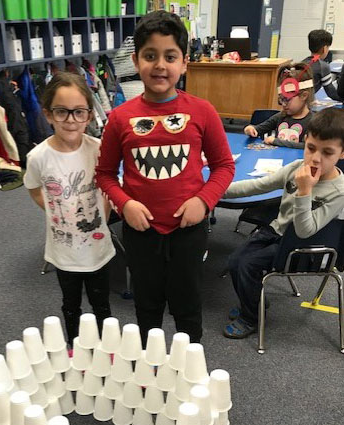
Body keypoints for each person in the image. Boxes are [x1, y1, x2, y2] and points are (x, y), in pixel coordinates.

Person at [96, 10, 235, 345]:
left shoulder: (202, 111)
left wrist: (203, 201)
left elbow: (223, 166)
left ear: (184, 63)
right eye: (150, 56)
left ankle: (191, 373)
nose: (160, 65)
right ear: (135, 60)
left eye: (170, 56)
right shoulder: (119, 118)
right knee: (147, 308)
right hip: (141, 233)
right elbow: (104, 174)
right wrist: (124, 203)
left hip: (188, 231)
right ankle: (150, 376)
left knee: (188, 307)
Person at [223, 107, 344, 339]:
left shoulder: (338, 190)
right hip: (277, 232)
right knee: (235, 261)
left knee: (247, 264)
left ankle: (251, 317)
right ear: (305, 141)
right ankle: (255, 300)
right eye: (310, 148)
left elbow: (304, 230)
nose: (315, 158)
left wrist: (305, 191)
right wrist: (215, 191)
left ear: (342, 153)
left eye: (327, 152)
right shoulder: (296, 169)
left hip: (304, 247)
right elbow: (257, 185)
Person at [24, 72, 115, 347]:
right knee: (71, 304)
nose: (71, 120)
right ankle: (75, 348)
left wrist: (103, 217)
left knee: (102, 305)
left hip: (98, 248)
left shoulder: (99, 149)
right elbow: (33, 189)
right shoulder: (38, 157)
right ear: (49, 114)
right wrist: (55, 213)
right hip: (64, 252)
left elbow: (109, 188)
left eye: (78, 112)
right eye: (62, 112)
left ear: (89, 115)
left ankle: (108, 351)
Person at [244, 63, 314, 149]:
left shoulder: (313, 122)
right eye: (281, 99)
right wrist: (250, 129)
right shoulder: (281, 116)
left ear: (304, 96)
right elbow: (258, 129)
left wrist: (276, 141)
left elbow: (306, 146)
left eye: (287, 99)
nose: (284, 104)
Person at [303, 29, 342, 102]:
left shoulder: (302, 63)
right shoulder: (323, 66)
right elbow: (331, 92)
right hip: (303, 106)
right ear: (324, 49)